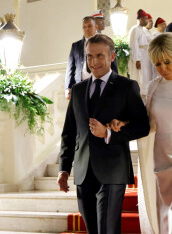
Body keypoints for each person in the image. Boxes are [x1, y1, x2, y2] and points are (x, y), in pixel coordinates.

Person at [58, 34, 150, 234]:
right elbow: (69, 132)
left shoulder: (127, 86)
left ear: (112, 56)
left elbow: (142, 126)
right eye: (89, 56)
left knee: (108, 230)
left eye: (100, 55)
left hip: (113, 171)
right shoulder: (78, 90)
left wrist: (108, 133)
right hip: (83, 172)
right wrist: (64, 169)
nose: (94, 62)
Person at [136, 33, 172, 234]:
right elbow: (147, 124)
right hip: (161, 159)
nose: (163, 68)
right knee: (164, 217)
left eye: (167, 61)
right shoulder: (153, 87)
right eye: (158, 64)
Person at [65, 16, 118, 100]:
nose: (87, 29)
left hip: (101, 83)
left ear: (96, 27)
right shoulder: (75, 46)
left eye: (89, 26)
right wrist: (67, 88)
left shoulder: (105, 43)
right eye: (84, 27)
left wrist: (115, 83)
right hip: (80, 84)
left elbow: (113, 65)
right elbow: (70, 68)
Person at [128, 9, 153, 100]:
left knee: (146, 78)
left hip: (145, 57)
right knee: (140, 78)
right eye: (146, 19)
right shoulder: (135, 29)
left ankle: (145, 98)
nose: (147, 20)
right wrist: (137, 60)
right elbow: (133, 45)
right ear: (141, 19)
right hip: (140, 59)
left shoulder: (141, 30)